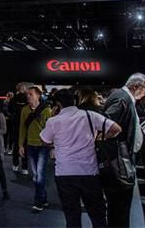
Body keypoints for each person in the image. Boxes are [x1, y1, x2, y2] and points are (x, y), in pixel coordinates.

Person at [41, 89, 122, 228]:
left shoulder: (53, 121)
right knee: (97, 215)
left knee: (72, 216)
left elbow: (44, 140)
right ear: (75, 101)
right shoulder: (90, 115)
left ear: (58, 104)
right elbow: (116, 129)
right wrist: (99, 138)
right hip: (89, 172)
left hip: (65, 173)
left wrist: (56, 142)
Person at [103, 73, 145, 228]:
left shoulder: (123, 97)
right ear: (136, 86)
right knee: (120, 206)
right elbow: (106, 126)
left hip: (121, 158)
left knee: (120, 206)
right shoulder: (122, 99)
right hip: (118, 161)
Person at [19, 85, 53, 212]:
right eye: (27, 94)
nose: (28, 96)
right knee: (35, 175)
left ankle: (38, 201)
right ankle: (43, 199)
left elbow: (51, 130)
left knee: (40, 174)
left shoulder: (46, 110)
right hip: (30, 145)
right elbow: (22, 128)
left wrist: (52, 146)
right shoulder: (24, 110)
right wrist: (20, 145)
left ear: (38, 95)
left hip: (43, 146)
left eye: (31, 94)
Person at [8, 83, 30, 173]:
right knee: (25, 145)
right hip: (26, 123)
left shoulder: (13, 99)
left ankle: (15, 164)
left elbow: (10, 110)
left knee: (17, 144)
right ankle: (24, 167)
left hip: (17, 124)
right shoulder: (27, 99)